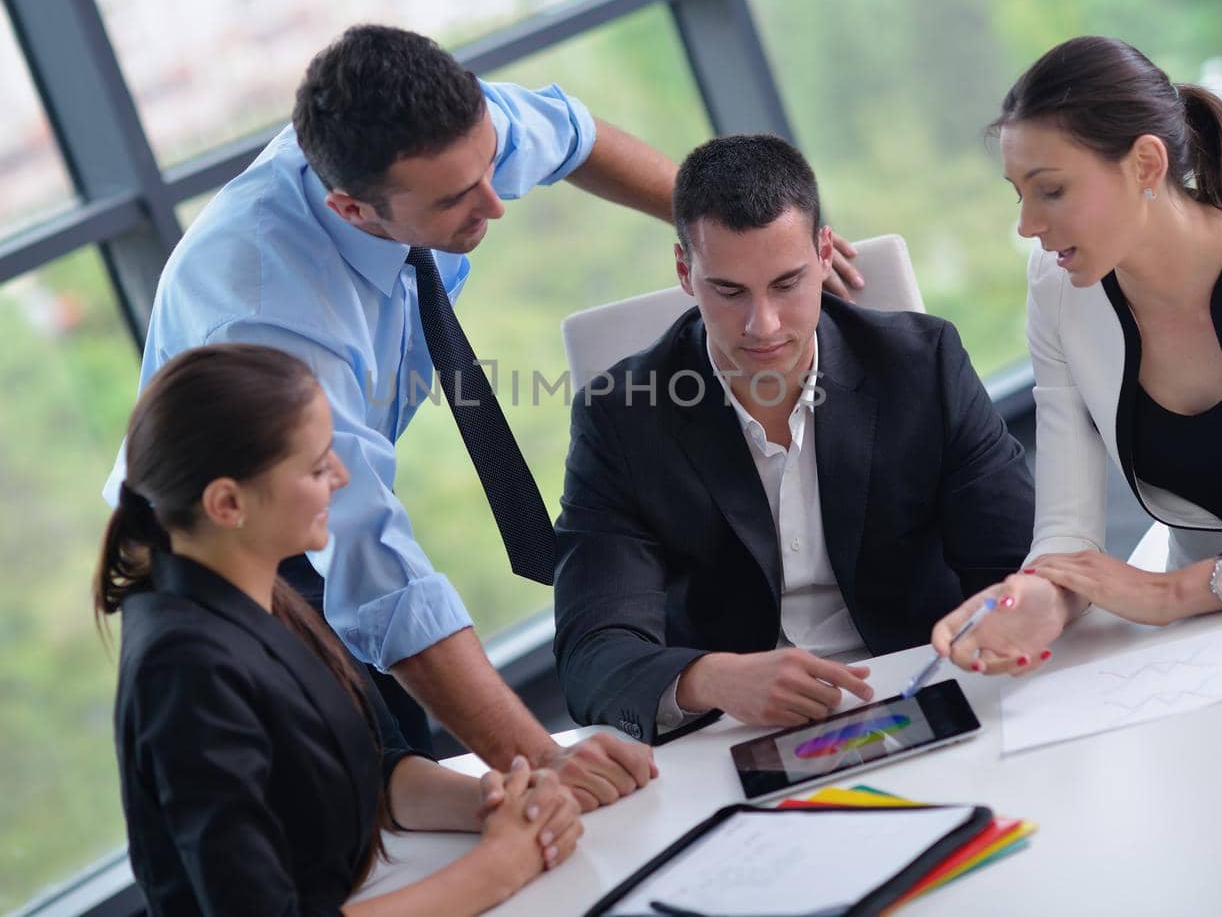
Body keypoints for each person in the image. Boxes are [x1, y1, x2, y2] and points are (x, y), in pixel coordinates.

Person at [932, 35, 1222, 675]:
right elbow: (1069, 532)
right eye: (1019, 194)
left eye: (1052, 190)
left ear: (1146, 164)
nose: (1027, 225)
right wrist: (1039, 595)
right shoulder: (1057, 291)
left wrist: (1175, 592)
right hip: (1207, 657)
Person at [552, 134, 1036, 741]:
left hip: (927, 687)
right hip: (737, 730)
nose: (764, 325)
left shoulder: (922, 364)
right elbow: (592, 653)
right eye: (728, 291)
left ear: (826, 253)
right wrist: (710, 678)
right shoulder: (620, 417)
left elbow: (1017, 565)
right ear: (685, 271)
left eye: (787, 283)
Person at [98, 343, 583, 915]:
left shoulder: (261, 591)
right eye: (316, 465)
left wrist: (498, 805)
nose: (341, 476)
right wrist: (500, 867)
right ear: (228, 503)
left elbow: (374, 775)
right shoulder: (182, 670)